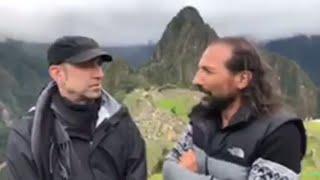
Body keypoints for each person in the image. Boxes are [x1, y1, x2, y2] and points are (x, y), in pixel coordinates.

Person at [163, 37, 306, 180]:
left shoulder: (280, 132)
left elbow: (176, 173)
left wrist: (185, 176)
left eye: (208, 71)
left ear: (243, 79)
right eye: (199, 69)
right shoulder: (203, 119)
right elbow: (169, 168)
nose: (196, 80)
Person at [6, 36, 147, 180]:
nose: (99, 74)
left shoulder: (120, 123)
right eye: (86, 65)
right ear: (58, 73)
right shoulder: (27, 136)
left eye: (99, 65)